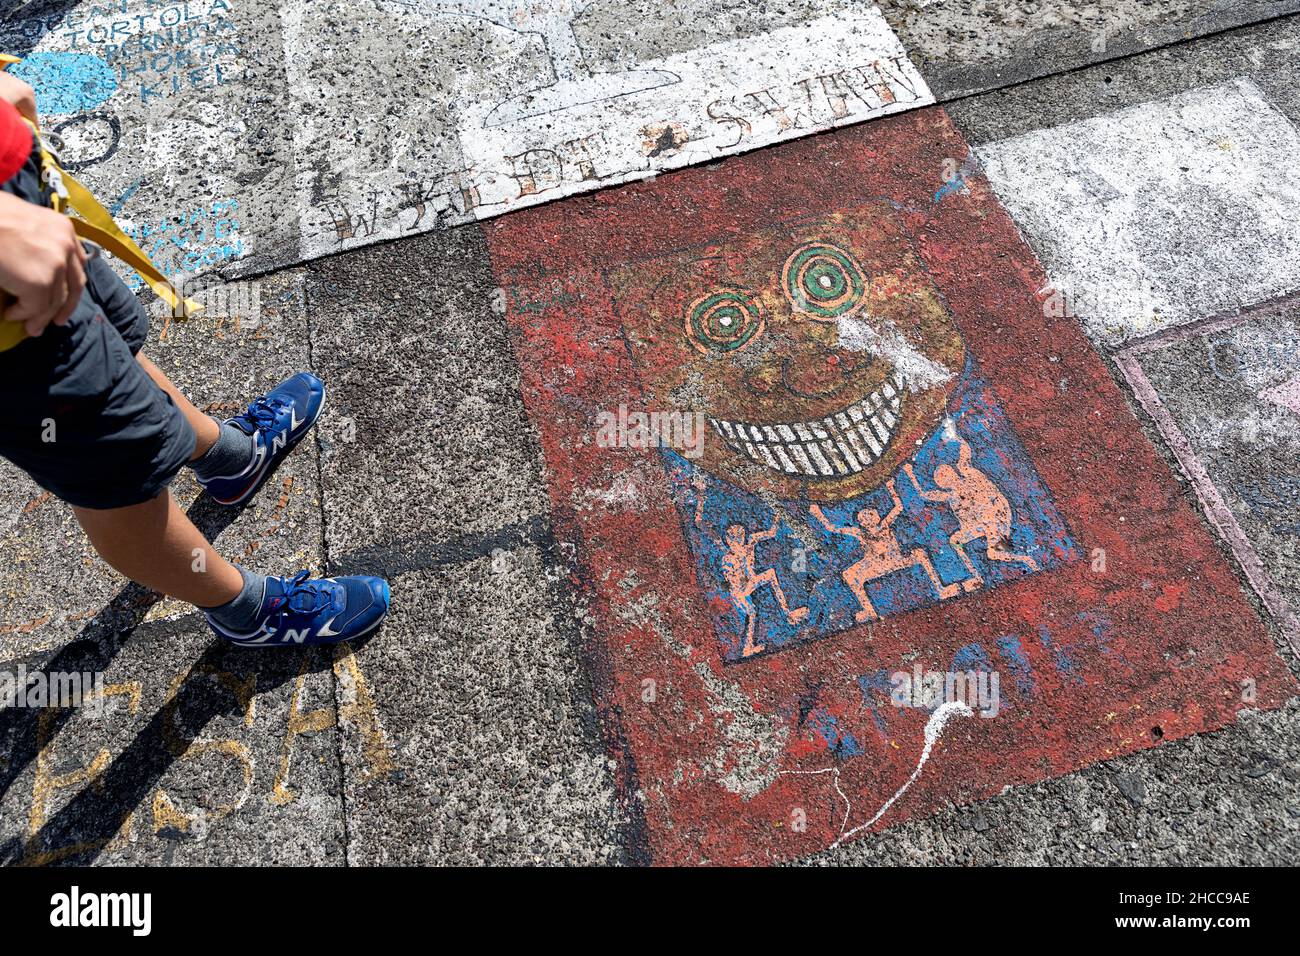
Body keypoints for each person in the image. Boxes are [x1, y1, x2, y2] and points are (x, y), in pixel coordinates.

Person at [0, 67, 390, 646]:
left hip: (25, 207)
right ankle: (244, 609)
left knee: (116, 358)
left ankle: (230, 458)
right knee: (114, 477)